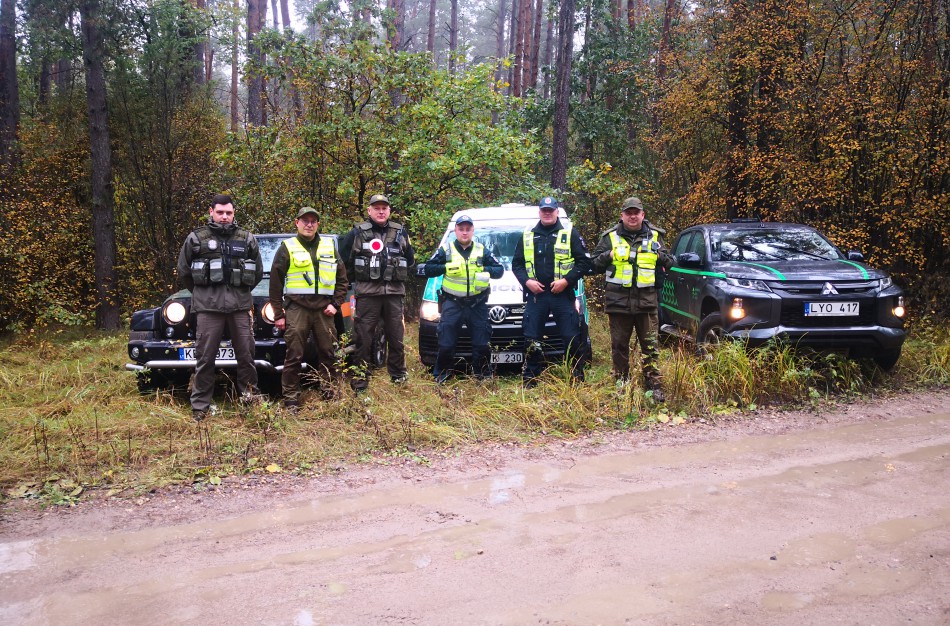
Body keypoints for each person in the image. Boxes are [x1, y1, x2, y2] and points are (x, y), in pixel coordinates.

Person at [177, 194, 263, 421]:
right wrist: (203, 294)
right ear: (211, 212)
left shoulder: (246, 238)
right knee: (205, 359)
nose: (224, 217)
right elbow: (184, 271)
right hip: (208, 309)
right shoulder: (196, 238)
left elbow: (257, 272)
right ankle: (200, 407)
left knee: (246, 356)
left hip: (239, 308)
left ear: (234, 214)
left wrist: (241, 293)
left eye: (229, 213)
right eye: (220, 212)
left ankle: (250, 401)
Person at [590, 196, 673, 401]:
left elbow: (670, 262)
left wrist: (658, 255)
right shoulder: (610, 237)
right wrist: (609, 255)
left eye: (636, 213)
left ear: (643, 215)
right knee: (619, 347)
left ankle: (654, 387)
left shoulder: (655, 236)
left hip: (647, 303)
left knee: (650, 347)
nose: (633, 216)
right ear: (622, 216)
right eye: (629, 213)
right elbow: (592, 264)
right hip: (618, 303)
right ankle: (622, 384)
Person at [268, 207, 349, 411]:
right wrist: (278, 314)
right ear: (297, 223)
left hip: (324, 310)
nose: (309, 224)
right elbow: (275, 284)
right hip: (297, 308)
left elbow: (342, 280)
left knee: (329, 353)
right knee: (294, 355)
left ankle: (330, 393)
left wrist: (335, 304)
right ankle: (291, 399)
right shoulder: (287, 247)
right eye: (305, 221)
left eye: (313, 221)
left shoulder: (329, 246)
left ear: (318, 224)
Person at [512, 196, 591, 385]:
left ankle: (575, 377)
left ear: (556, 212)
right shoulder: (528, 234)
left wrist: (566, 281)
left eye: (550, 210)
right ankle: (531, 378)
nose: (547, 213)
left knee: (571, 337)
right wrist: (527, 282)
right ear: (539, 212)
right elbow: (517, 264)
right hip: (536, 296)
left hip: (562, 295)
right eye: (544, 210)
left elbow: (583, 262)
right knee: (532, 338)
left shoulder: (569, 233)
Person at [339, 194, 415, 391]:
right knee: (363, 339)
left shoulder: (400, 232)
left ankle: (398, 378)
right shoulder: (356, 233)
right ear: (369, 211)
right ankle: (360, 383)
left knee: (396, 338)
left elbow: (410, 260)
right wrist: (358, 280)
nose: (381, 212)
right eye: (377, 208)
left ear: (389, 211)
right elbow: (343, 262)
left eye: (384, 208)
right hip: (367, 295)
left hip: (394, 295)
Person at [422, 215, 504, 383]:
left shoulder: (481, 250)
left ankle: (482, 376)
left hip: (477, 304)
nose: (464, 233)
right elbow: (428, 269)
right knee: (446, 343)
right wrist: (446, 267)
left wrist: (484, 269)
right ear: (456, 231)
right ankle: (442, 376)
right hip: (453, 303)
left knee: (481, 344)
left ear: (473, 231)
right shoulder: (446, 250)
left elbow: (499, 270)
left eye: (468, 229)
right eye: (461, 229)